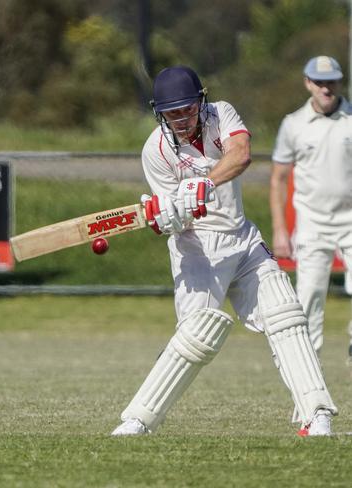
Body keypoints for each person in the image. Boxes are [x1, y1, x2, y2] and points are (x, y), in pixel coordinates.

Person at [111, 66, 337, 437]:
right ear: (160, 113)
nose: (181, 119)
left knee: (286, 315)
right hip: (197, 248)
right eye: (172, 113)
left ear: (200, 101)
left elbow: (241, 154)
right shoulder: (155, 150)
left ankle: (317, 413)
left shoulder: (221, 113)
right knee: (194, 338)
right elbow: (173, 221)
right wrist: (168, 216)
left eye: (187, 109)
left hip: (243, 239)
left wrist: (204, 181)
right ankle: (139, 419)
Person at [270, 55, 352, 361]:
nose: (326, 88)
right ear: (308, 83)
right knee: (309, 298)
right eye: (319, 82)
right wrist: (280, 230)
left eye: (331, 81)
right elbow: (278, 179)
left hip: (350, 220)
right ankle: (307, 376)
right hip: (312, 223)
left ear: (339, 82)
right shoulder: (293, 125)